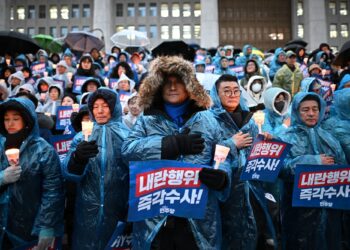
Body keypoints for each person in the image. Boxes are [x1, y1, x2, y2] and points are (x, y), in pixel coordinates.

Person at [122, 56, 232, 250]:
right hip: (155, 219)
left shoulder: (208, 120)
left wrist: (222, 176)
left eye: (178, 81)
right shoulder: (147, 120)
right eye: (167, 82)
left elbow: (223, 154)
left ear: (190, 86)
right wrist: (169, 145)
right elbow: (128, 151)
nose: (172, 87)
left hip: (197, 216)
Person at [209, 74, 276, 250]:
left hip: (251, 190)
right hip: (225, 192)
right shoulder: (208, 120)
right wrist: (231, 144)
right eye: (227, 91)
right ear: (216, 94)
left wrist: (264, 142)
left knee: (252, 234)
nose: (232, 94)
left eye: (236, 91)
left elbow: (255, 154)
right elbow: (205, 155)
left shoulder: (250, 121)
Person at [62, 88, 129, 249]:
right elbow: (67, 173)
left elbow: (135, 172)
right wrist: (77, 159)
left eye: (105, 106)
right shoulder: (81, 137)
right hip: (86, 211)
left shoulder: (127, 135)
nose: (100, 111)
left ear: (114, 108)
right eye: (95, 106)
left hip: (118, 209)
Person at [278, 92, 346, 250]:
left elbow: (343, 167)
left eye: (315, 109)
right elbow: (281, 169)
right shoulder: (285, 137)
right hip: (297, 210)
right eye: (305, 109)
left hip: (329, 208)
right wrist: (313, 161)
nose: (311, 113)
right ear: (296, 111)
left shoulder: (329, 137)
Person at [0, 97, 64, 249]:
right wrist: (2, 177)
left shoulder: (43, 150)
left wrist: (46, 226)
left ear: (27, 120)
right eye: (6, 119)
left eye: (16, 118)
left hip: (30, 225)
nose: (10, 123)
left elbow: (53, 191)